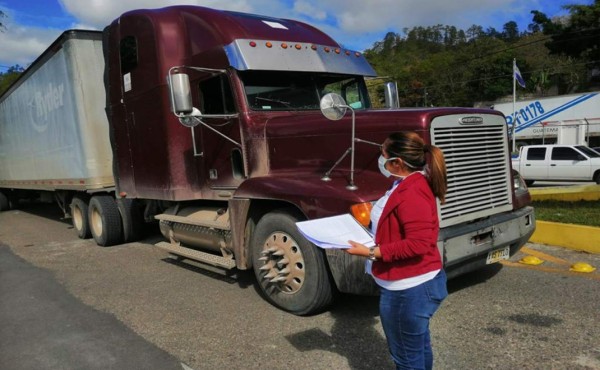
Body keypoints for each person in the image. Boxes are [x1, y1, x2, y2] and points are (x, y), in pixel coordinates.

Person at [346, 131, 448, 370]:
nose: (380, 161)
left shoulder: (412, 191)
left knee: (407, 359)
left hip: (408, 291)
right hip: (412, 286)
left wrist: (371, 252)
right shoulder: (404, 183)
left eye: (383, 156)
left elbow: (419, 243)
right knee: (418, 349)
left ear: (398, 163)